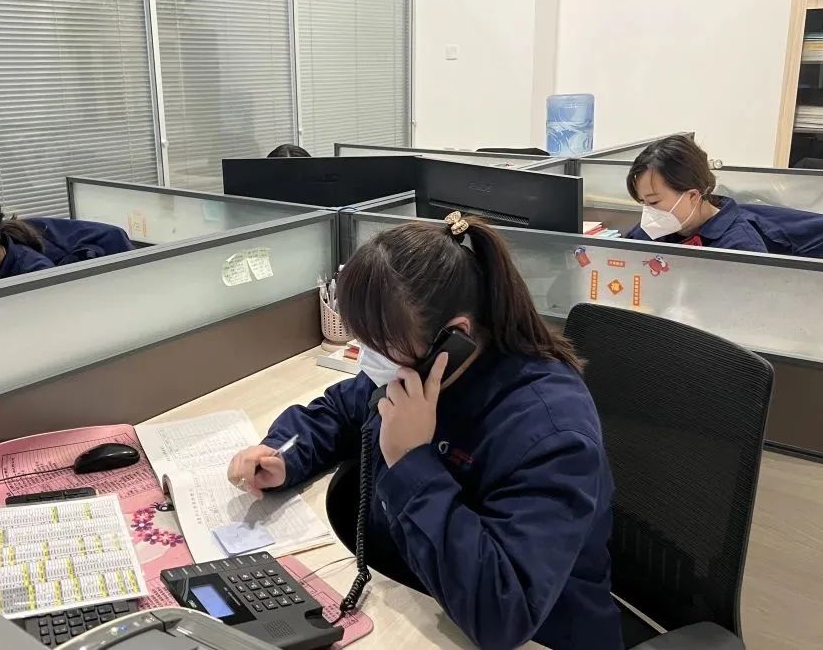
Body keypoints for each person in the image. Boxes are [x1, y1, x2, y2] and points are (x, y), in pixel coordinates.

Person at [227, 214, 622, 649]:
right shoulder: (412, 373)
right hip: (416, 599)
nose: (368, 359)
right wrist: (283, 454)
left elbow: (504, 611)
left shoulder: (550, 431)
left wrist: (411, 461)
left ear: (454, 338)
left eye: (381, 346)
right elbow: (340, 409)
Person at [623, 135, 769, 252]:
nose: (648, 212)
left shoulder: (740, 247)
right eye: (643, 202)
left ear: (692, 196)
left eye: (654, 202)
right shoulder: (651, 231)